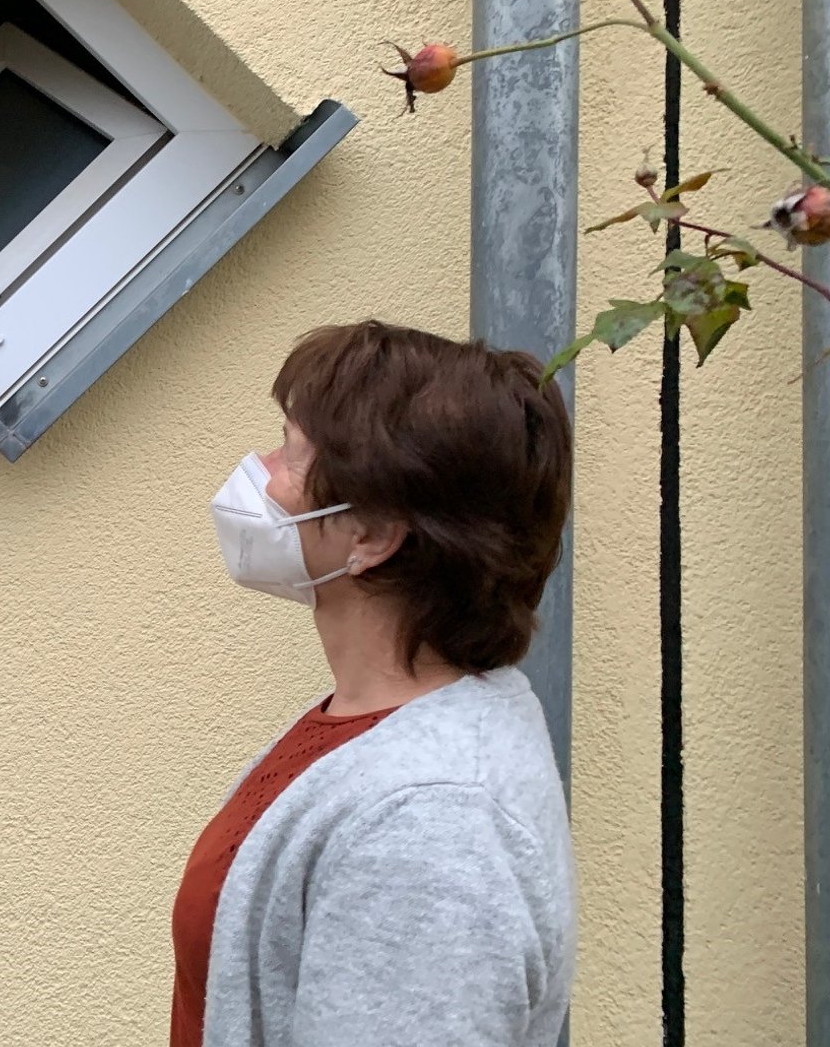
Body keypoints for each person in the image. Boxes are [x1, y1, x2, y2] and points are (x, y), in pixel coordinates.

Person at [174, 321, 577, 1047]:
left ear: (372, 535)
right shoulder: (366, 724)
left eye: (290, 453)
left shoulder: (434, 822)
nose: (256, 473)